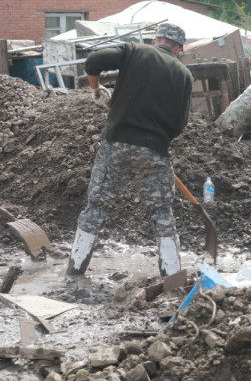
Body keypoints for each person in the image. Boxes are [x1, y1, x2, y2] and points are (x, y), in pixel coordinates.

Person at [66, 22, 194, 277]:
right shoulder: (185, 75)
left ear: (154, 41)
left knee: (96, 206)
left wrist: (96, 91)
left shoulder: (135, 50)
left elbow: (93, 61)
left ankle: (75, 270)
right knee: (162, 213)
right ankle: (171, 276)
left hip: (116, 145)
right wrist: (156, 138)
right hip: (155, 152)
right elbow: (180, 124)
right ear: (179, 48)